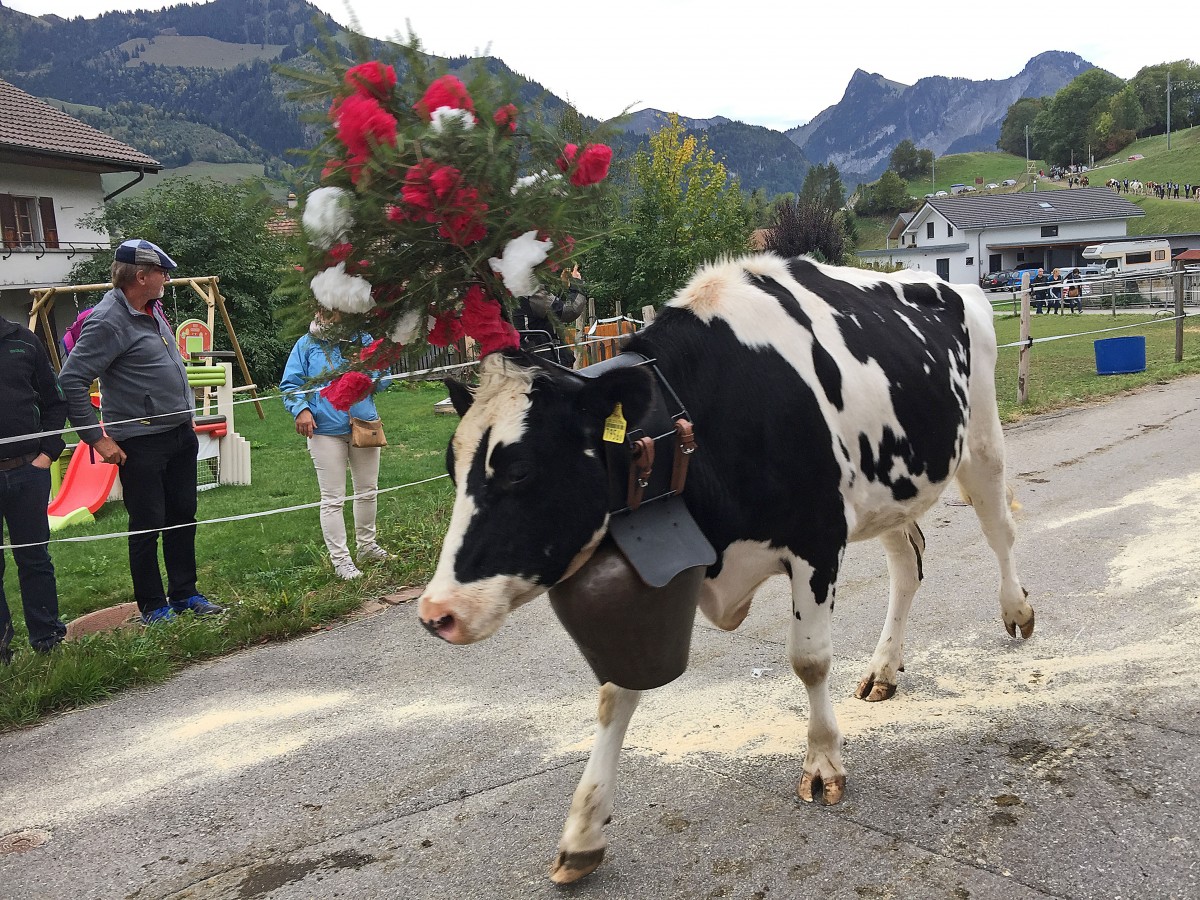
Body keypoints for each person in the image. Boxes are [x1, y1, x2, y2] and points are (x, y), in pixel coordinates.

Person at [59, 239, 223, 625]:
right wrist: (96, 439)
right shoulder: (107, 321)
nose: (167, 277)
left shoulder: (152, 308)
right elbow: (71, 382)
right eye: (162, 272)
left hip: (179, 432)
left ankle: (185, 594)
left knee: (183, 515)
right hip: (141, 442)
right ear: (141, 276)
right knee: (147, 523)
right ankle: (153, 606)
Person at [280, 311, 391, 581]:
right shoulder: (306, 344)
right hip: (324, 430)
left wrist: (369, 372)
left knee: (368, 490)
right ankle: (341, 560)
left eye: (336, 308)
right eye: (324, 309)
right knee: (333, 498)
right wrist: (300, 409)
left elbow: (385, 378)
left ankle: (367, 547)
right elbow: (291, 384)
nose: (330, 314)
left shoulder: (363, 340)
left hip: (364, 424)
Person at [0, 315, 69, 663]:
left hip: (28, 469)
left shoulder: (25, 341)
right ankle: (1, 651)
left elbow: (56, 401)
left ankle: (48, 640)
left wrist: (47, 454)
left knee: (35, 558)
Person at [513, 266, 588, 367]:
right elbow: (569, 311)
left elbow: (548, 311)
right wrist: (576, 284)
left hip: (527, 360)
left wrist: (566, 286)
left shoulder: (510, 289)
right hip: (545, 362)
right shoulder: (529, 291)